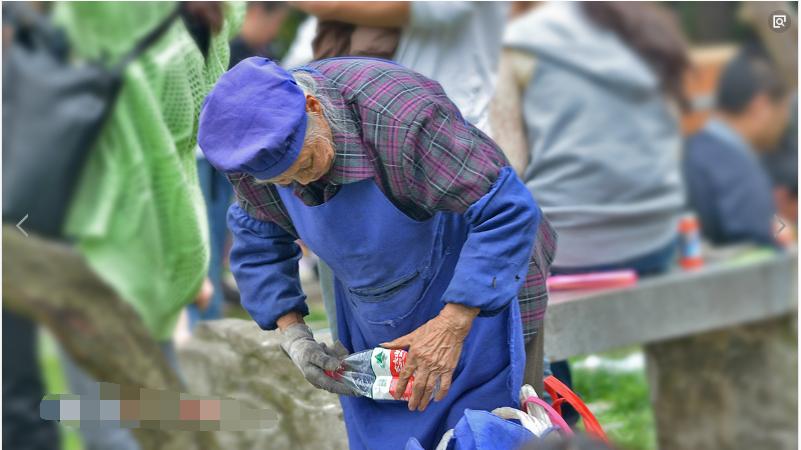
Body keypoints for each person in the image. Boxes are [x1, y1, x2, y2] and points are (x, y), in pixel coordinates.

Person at [197, 57, 556, 449]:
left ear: (313, 107)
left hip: (480, 287)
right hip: (374, 311)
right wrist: (294, 335)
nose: (300, 182)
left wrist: (452, 324)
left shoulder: (402, 118)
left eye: (306, 164)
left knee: (486, 435)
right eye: (283, 181)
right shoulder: (250, 152)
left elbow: (507, 209)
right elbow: (258, 242)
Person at [48, 2, 241, 448]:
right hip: (167, 237)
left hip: (110, 240)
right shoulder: (209, 26)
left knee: (107, 417)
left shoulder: (121, 27)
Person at [492, 1, 689, 424]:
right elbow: (673, 142)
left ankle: (560, 420)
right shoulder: (647, 27)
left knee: (514, 270)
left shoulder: (518, 42)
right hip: (657, 239)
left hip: (570, 252)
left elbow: (511, 165)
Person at [189, 2, 289, 329]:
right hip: (194, 156)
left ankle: (209, 325)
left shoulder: (248, 48)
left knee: (217, 244)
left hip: (223, 159)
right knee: (198, 248)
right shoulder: (223, 43)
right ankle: (197, 329)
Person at [684, 49, 790, 247]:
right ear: (760, 106)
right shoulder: (739, 170)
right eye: (783, 111)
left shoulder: (689, 150)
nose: (784, 123)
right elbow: (757, 252)